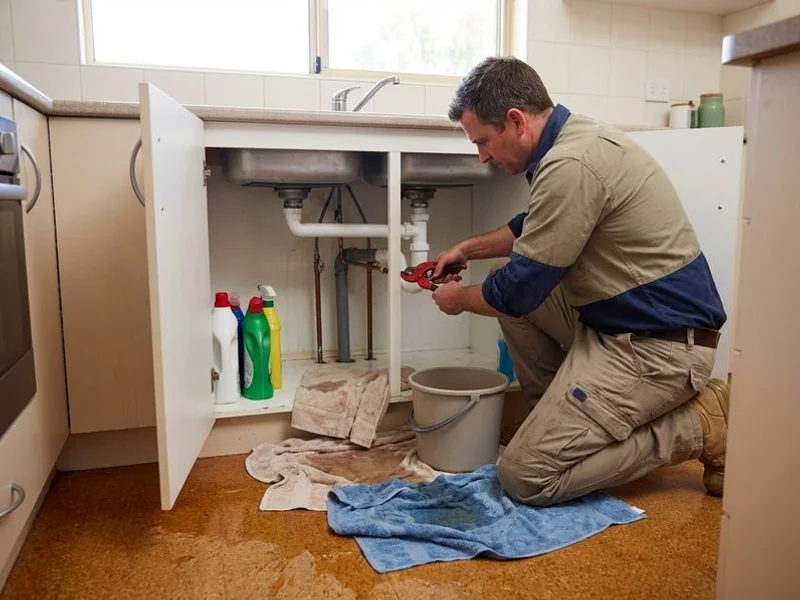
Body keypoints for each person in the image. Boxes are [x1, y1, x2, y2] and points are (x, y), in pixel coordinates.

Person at [430, 56, 731, 507]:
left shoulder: (572, 162)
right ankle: (553, 426)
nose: (483, 156)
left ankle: (702, 423)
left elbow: (519, 291)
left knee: (525, 478)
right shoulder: (570, 140)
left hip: (661, 348)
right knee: (499, 278)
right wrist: (466, 250)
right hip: (620, 324)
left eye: (484, 141)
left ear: (515, 121)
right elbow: (530, 225)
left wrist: (457, 300)